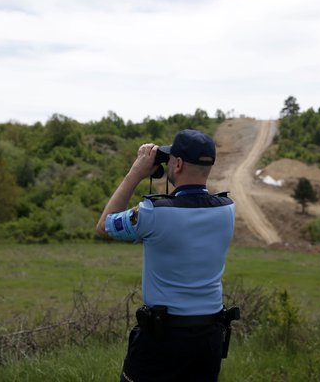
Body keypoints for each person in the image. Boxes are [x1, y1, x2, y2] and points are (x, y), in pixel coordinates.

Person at [96, 129, 236, 382]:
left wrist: (136, 173)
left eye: (171, 159)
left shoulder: (153, 213)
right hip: (210, 337)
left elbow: (104, 226)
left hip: (163, 339)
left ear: (178, 163)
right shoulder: (227, 210)